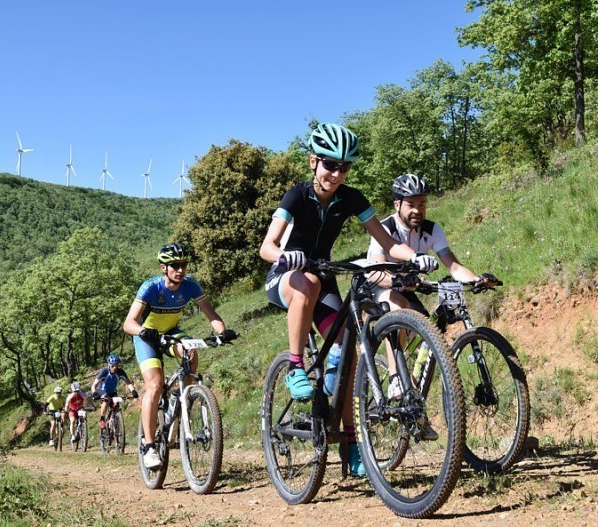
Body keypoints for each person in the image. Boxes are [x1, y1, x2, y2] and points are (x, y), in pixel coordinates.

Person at [259, 123, 438, 478]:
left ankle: (352, 441)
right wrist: (284, 256)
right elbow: (267, 246)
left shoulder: (352, 198)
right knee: (307, 281)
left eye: (344, 167)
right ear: (313, 162)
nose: (337, 174)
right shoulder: (295, 196)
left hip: (322, 277)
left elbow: (387, 243)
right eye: (330, 165)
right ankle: (296, 365)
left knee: (348, 355)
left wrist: (413, 258)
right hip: (285, 277)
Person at [367, 173, 497, 398]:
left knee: (429, 333)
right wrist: (399, 280)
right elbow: (377, 271)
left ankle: (414, 401)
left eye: (422, 204)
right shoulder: (385, 228)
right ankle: (396, 378)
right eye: (411, 205)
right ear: (397, 204)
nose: (418, 210)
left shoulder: (432, 230)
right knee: (398, 306)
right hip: (378, 286)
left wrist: (475, 279)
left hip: (408, 289)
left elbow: (453, 266)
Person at [123, 242, 237, 470]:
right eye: (175, 265)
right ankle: (149, 446)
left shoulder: (190, 285)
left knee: (191, 353)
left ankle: (179, 396)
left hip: (171, 333)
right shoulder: (151, 288)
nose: (181, 270)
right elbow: (128, 323)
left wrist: (222, 332)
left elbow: (210, 312)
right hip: (146, 337)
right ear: (163, 267)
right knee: (154, 386)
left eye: (184, 264)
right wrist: (144, 331)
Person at [91, 354, 139, 431]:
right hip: (102, 390)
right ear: (108, 365)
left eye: (116, 365)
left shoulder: (120, 372)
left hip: (113, 392)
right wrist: (94, 393)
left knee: (116, 407)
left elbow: (128, 383)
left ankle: (115, 427)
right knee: (107, 400)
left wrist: (133, 391)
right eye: (113, 365)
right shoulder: (104, 371)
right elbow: (94, 385)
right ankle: (102, 419)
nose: (115, 367)